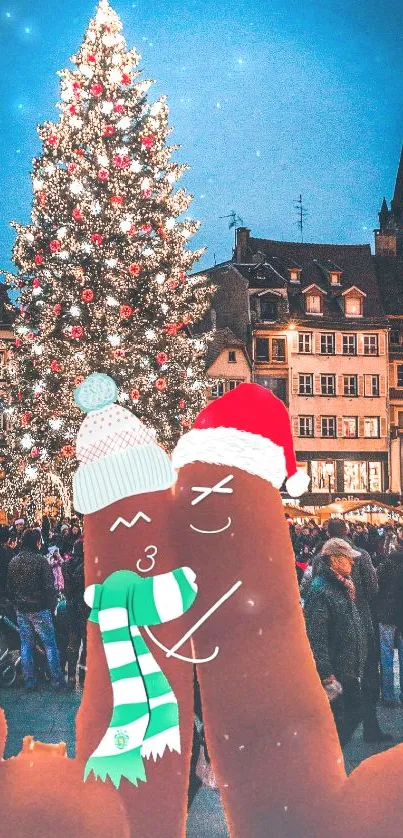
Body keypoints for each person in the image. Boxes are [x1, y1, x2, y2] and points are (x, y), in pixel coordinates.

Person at [304, 538, 366, 746]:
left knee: (352, 712)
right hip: (336, 669)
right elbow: (317, 635)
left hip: (347, 664)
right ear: (335, 560)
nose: (352, 562)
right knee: (343, 717)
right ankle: (329, 760)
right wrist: (326, 673)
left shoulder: (342, 586)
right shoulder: (321, 590)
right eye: (348, 558)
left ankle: (331, 757)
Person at [7, 528, 63, 691]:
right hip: (39, 608)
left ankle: (29, 680)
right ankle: (56, 679)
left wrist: (17, 602)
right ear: (36, 542)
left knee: (26, 644)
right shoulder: (40, 561)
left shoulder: (14, 561)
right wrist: (52, 607)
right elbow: (49, 587)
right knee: (50, 644)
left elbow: (10, 588)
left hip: (22, 609)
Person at [376, 549, 403, 706]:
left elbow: (375, 587)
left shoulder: (385, 565)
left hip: (386, 615)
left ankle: (388, 695)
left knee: (386, 655)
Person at [62, 539, 88, 689]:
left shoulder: (66, 565)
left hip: (70, 606)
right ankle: (83, 675)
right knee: (86, 641)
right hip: (85, 607)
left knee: (73, 640)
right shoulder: (87, 566)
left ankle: (71, 675)